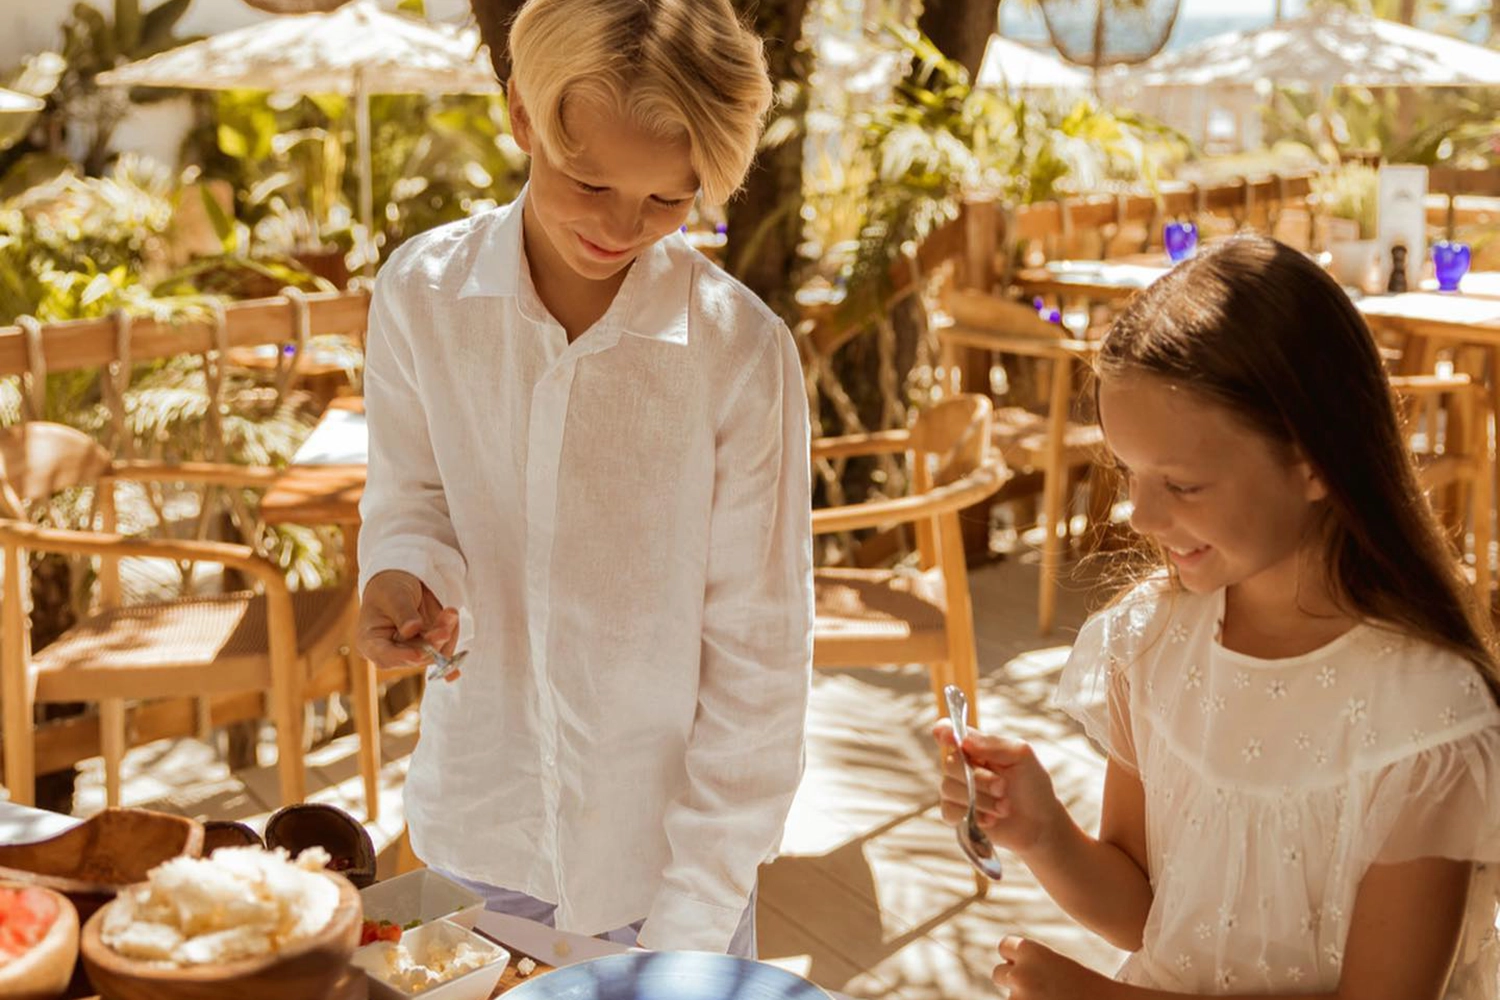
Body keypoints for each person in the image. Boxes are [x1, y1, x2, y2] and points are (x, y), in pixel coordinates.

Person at [353, 0, 812, 956]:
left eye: (667, 200)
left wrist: (687, 932)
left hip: (669, 873)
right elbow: (411, 496)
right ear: (522, 115)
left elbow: (759, 661)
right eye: (589, 179)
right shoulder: (419, 295)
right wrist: (402, 572)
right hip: (475, 828)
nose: (620, 226)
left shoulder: (738, 353)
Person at [936, 234, 1500, 998]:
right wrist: (1045, 834)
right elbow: (1148, 917)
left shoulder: (1425, 718)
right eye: (1129, 473)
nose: (1137, 514)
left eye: (1183, 484)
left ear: (1314, 460)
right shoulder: (1151, 645)